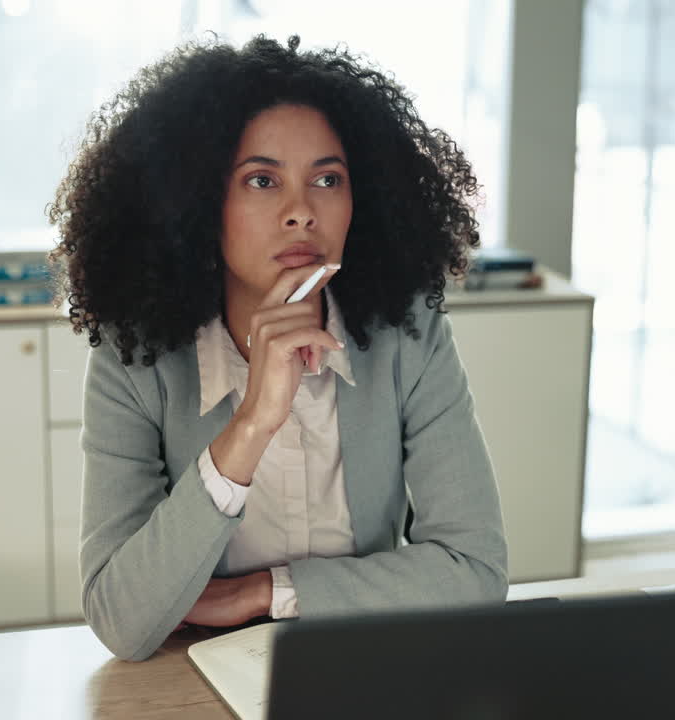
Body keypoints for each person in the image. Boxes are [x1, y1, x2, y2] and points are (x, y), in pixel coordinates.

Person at [48, 34, 507, 662]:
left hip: (372, 671)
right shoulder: (135, 363)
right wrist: (252, 423)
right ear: (200, 203)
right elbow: (123, 622)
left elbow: (475, 571)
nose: (301, 211)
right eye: (262, 180)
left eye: (327, 178)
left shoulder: (410, 334)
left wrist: (267, 592)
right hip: (199, 684)